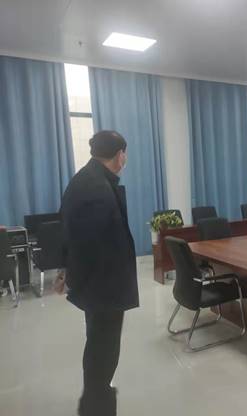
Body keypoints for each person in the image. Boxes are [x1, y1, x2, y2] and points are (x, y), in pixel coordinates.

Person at [60, 130, 138, 416]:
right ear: (119, 155)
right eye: (125, 153)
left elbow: (69, 230)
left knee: (99, 344)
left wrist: (66, 270)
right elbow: (87, 244)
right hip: (104, 288)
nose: (125, 159)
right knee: (103, 349)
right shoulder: (97, 189)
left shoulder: (88, 179)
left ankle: (97, 398)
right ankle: (96, 406)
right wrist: (72, 275)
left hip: (99, 286)